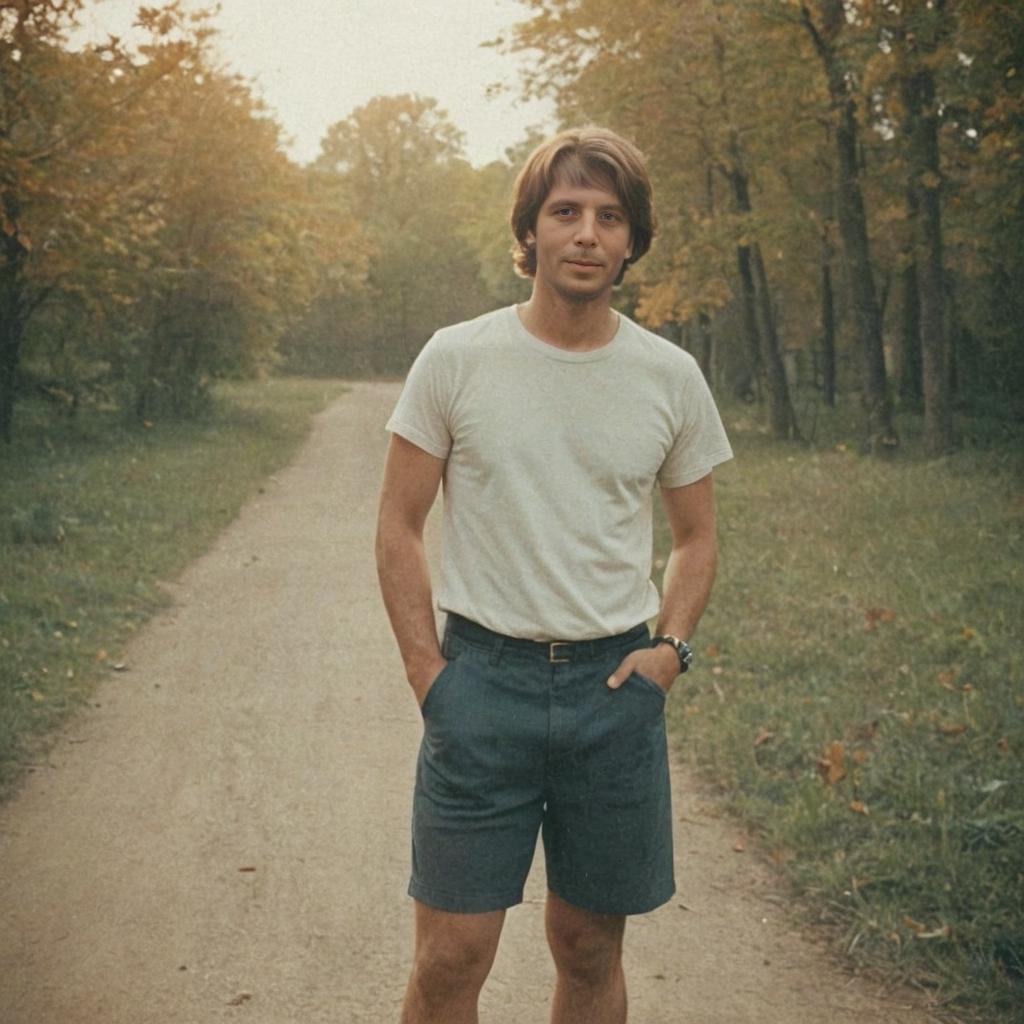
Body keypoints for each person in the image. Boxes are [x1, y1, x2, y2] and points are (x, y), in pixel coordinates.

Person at [375, 125, 733, 1024]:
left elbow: (695, 537)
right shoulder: (457, 358)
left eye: (609, 217)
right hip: (481, 683)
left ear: (631, 240)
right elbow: (398, 524)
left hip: (613, 692)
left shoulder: (669, 375)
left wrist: (670, 651)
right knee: (451, 959)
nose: (586, 234)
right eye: (564, 211)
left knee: (588, 949)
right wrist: (430, 675)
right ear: (529, 231)